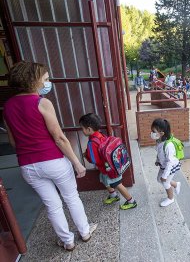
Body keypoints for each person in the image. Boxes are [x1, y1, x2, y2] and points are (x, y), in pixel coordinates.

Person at [3, 61, 96, 251]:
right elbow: (60, 138)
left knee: (52, 205)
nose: (48, 82)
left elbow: (13, 142)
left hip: (27, 166)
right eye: (45, 79)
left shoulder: (7, 107)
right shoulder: (42, 103)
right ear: (33, 80)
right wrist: (77, 163)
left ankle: (67, 241)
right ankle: (85, 232)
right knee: (71, 197)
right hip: (53, 161)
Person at [80, 113, 137, 210]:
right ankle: (113, 195)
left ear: (89, 129)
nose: (82, 130)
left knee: (117, 184)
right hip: (112, 166)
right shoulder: (101, 135)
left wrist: (86, 155)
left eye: (82, 128)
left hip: (108, 169)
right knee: (105, 181)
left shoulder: (92, 143)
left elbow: (94, 160)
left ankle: (131, 201)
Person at [151, 118, 182, 207]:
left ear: (161, 133)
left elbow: (170, 162)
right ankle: (176, 184)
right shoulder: (159, 140)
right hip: (163, 165)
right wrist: (158, 161)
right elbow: (160, 153)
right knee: (158, 179)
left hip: (170, 166)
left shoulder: (169, 145)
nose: (152, 133)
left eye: (153, 131)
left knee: (165, 182)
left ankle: (170, 198)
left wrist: (165, 176)